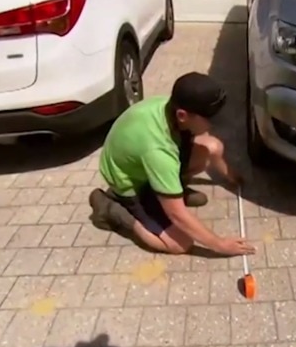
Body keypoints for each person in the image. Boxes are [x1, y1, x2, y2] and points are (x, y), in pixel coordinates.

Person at [88, 72, 256, 256]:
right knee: (181, 244)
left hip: (143, 163)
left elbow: (208, 143)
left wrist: (231, 176)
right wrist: (220, 245)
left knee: (212, 147)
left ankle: (170, 190)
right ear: (183, 115)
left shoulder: (171, 107)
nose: (214, 124)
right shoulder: (159, 151)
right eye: (210, 119)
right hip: (129, 184)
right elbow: (177, 215)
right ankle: (113, 210)